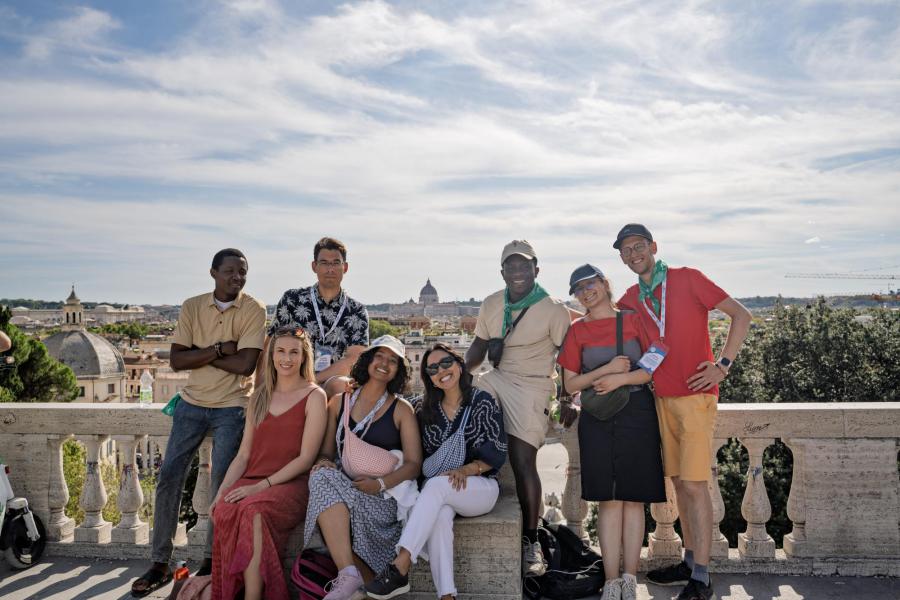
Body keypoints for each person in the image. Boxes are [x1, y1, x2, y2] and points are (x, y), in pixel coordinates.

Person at [614, 224, 751, 600]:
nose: (633, 254)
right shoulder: (631, 298)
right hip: (661, 399)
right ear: (622, 258)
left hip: (695, 397)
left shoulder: (688, 278)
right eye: (626, 250)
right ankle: (689, 562)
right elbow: (600, 321)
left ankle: (702, 578)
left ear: (653, 247)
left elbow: (741, 316)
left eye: (639, 246)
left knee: (694, 484)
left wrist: (723, 365)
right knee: (678, 483)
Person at [131, 249, 266, 597]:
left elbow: (246, 365)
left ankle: (211, 560)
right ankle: (160, 562)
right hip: (191, 404)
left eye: (243, 272)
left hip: (233, 406)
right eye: (230, 271)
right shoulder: (192, 306)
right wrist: (220, 350)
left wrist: (200, 355)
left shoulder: (254, 309)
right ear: (213, 273)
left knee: (221, 483)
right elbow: (177, 361)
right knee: (168, 477)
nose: (237, 277)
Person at [365, 344, 508, 600]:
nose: (441, 371)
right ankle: (447, 595)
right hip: (443, 493)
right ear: (429, 378)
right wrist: (353, 387)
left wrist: (467, 469)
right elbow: (390, 405)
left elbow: (497, 450)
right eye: (432, 369)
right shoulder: (424, 409)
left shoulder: (482, 401)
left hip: (480, 487)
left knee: (435, 485)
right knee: (440, 517)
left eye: (445, 363)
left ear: (459, 365)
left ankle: (401, 564)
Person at [557, 264, 666, 600]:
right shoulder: (576, 330)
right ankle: (611, 580)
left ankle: (629, 579)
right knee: (608, 499)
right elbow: (570, 384)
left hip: (637, 411)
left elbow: (655, 360)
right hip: (598, 416)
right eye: (578, 289)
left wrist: (621, 378)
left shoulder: (633, 319)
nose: (585, 292)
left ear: (605, 284)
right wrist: (606, 370)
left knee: (633, 499)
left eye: (590, 284)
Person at [465, 240, 571, 577]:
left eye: (524, 265)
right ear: (502, 272)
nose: (517, 271)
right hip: (497, 378)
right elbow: (478, 347)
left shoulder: (554, 308)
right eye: (511, 266)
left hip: (534, 384)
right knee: (463, 409)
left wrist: (569, 397)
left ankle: (531, 540)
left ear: (536, 269)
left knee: (523, 459)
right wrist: (457, 376)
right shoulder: (492, 303)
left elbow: (568, 358)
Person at [210, 326, 327, 599]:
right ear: (271, 356)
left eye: (294, 352)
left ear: (304, 357)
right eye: (280, 351)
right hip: (253, 479)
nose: (286, 358)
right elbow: (243, 455)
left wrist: (260, 487)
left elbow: (306, 459)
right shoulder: (259, 396)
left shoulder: (314, 396)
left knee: (253, 510)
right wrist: (221, 491)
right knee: (225, 508)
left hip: (293, 484)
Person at [303, 335, 423, 600]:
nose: (384, 364)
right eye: (379, 356)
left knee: (328, 502)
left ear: (399, 371)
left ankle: (354, 583)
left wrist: (379, 484)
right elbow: (326, 452)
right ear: (368, 360)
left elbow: (414, 464)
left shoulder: (401, 410)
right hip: (348, 489)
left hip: (382, 497)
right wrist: (323, 462)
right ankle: (349, 576)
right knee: (320, 477)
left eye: (393, 361)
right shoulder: (339, 402)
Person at [268, 237, 369, 399]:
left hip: (332, 387)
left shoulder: (357, 311)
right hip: (289, 380)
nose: (330, 269)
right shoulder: (292, 300)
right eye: (324, 263)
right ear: (314, 266)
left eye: (336, 263)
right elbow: (270, 345)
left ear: (345, 267)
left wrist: (312, 381)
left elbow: (355, 358)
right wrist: (261, 391)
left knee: (343, 385)